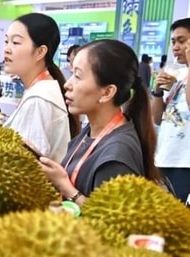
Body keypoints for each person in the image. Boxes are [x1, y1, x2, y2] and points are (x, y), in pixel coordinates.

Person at [40, 39, 162, 206]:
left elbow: (112, 225)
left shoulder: (117, 155)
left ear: (107, 92)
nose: (67, 84)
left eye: (77, 76)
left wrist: (66, 187)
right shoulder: (92, 130)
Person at [1, 13, 79, 163]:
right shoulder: (40, 90)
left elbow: (25, 168)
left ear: (40, 52)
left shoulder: (38, 99)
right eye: (6, 41)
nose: (6, 49)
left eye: (16, 42)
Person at [152, 18, 190, 203]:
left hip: (185, 162)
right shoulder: (180, 75)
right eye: (173, 41)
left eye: (182, 41)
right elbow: (158, 118)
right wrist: (157, 91)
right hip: (164, 156)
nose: (175, 47)